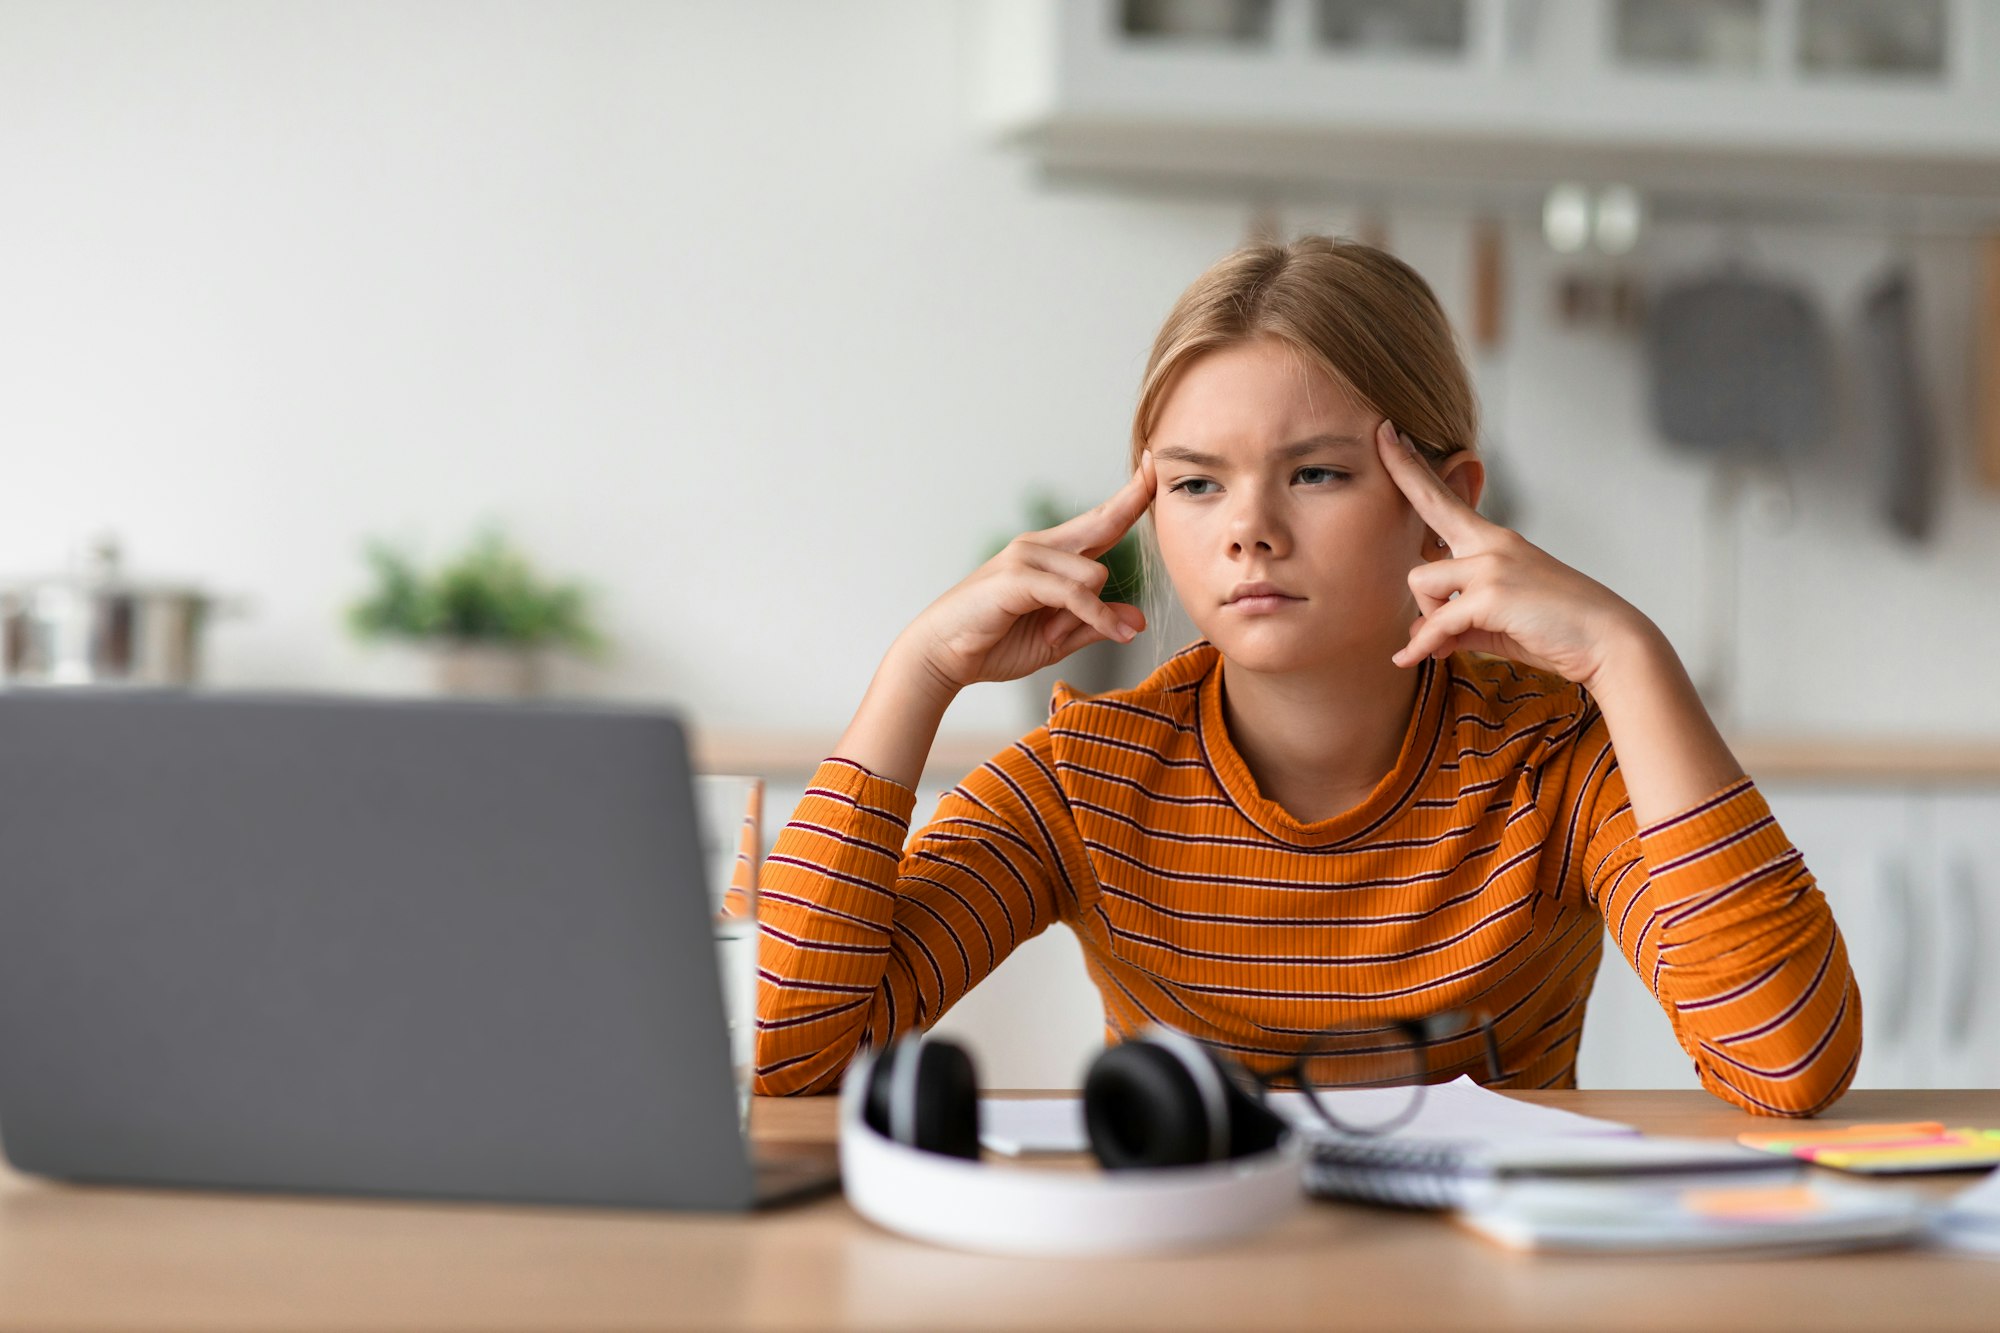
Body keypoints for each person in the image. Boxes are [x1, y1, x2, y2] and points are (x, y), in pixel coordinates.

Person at [752, 235, 1859, 1117]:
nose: (1248, 531)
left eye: (1316, 472)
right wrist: (918, 670)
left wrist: (1628, 656)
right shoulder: (1081, 781)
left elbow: (1785, 1060)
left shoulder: (1552, 763)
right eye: (1193, 486)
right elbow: (792, 1053)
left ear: (1447, 504)